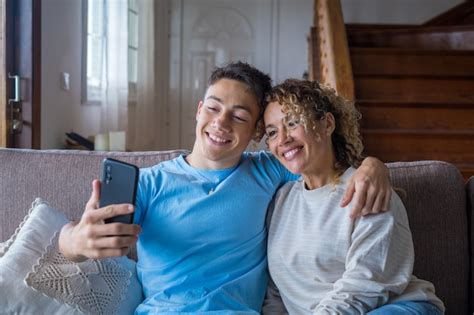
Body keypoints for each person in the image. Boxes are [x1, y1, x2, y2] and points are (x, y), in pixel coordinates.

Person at [58, 62, 391, 314]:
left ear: (257, 134)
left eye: (239, 116)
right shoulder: (148, 183)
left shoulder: (270, 171)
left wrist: (373, 166)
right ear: (199, 110)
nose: (221, 123)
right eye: (214, 108)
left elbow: (326, 164)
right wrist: (75, 239)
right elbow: (71, 240)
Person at [262, 79, 444, 314]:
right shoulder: (281, 200)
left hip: (395, 307)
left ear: (327, 124)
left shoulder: (367, 188)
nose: (283, 138)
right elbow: (277, 291)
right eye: (272, 132)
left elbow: (366, 284)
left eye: (293, 122)